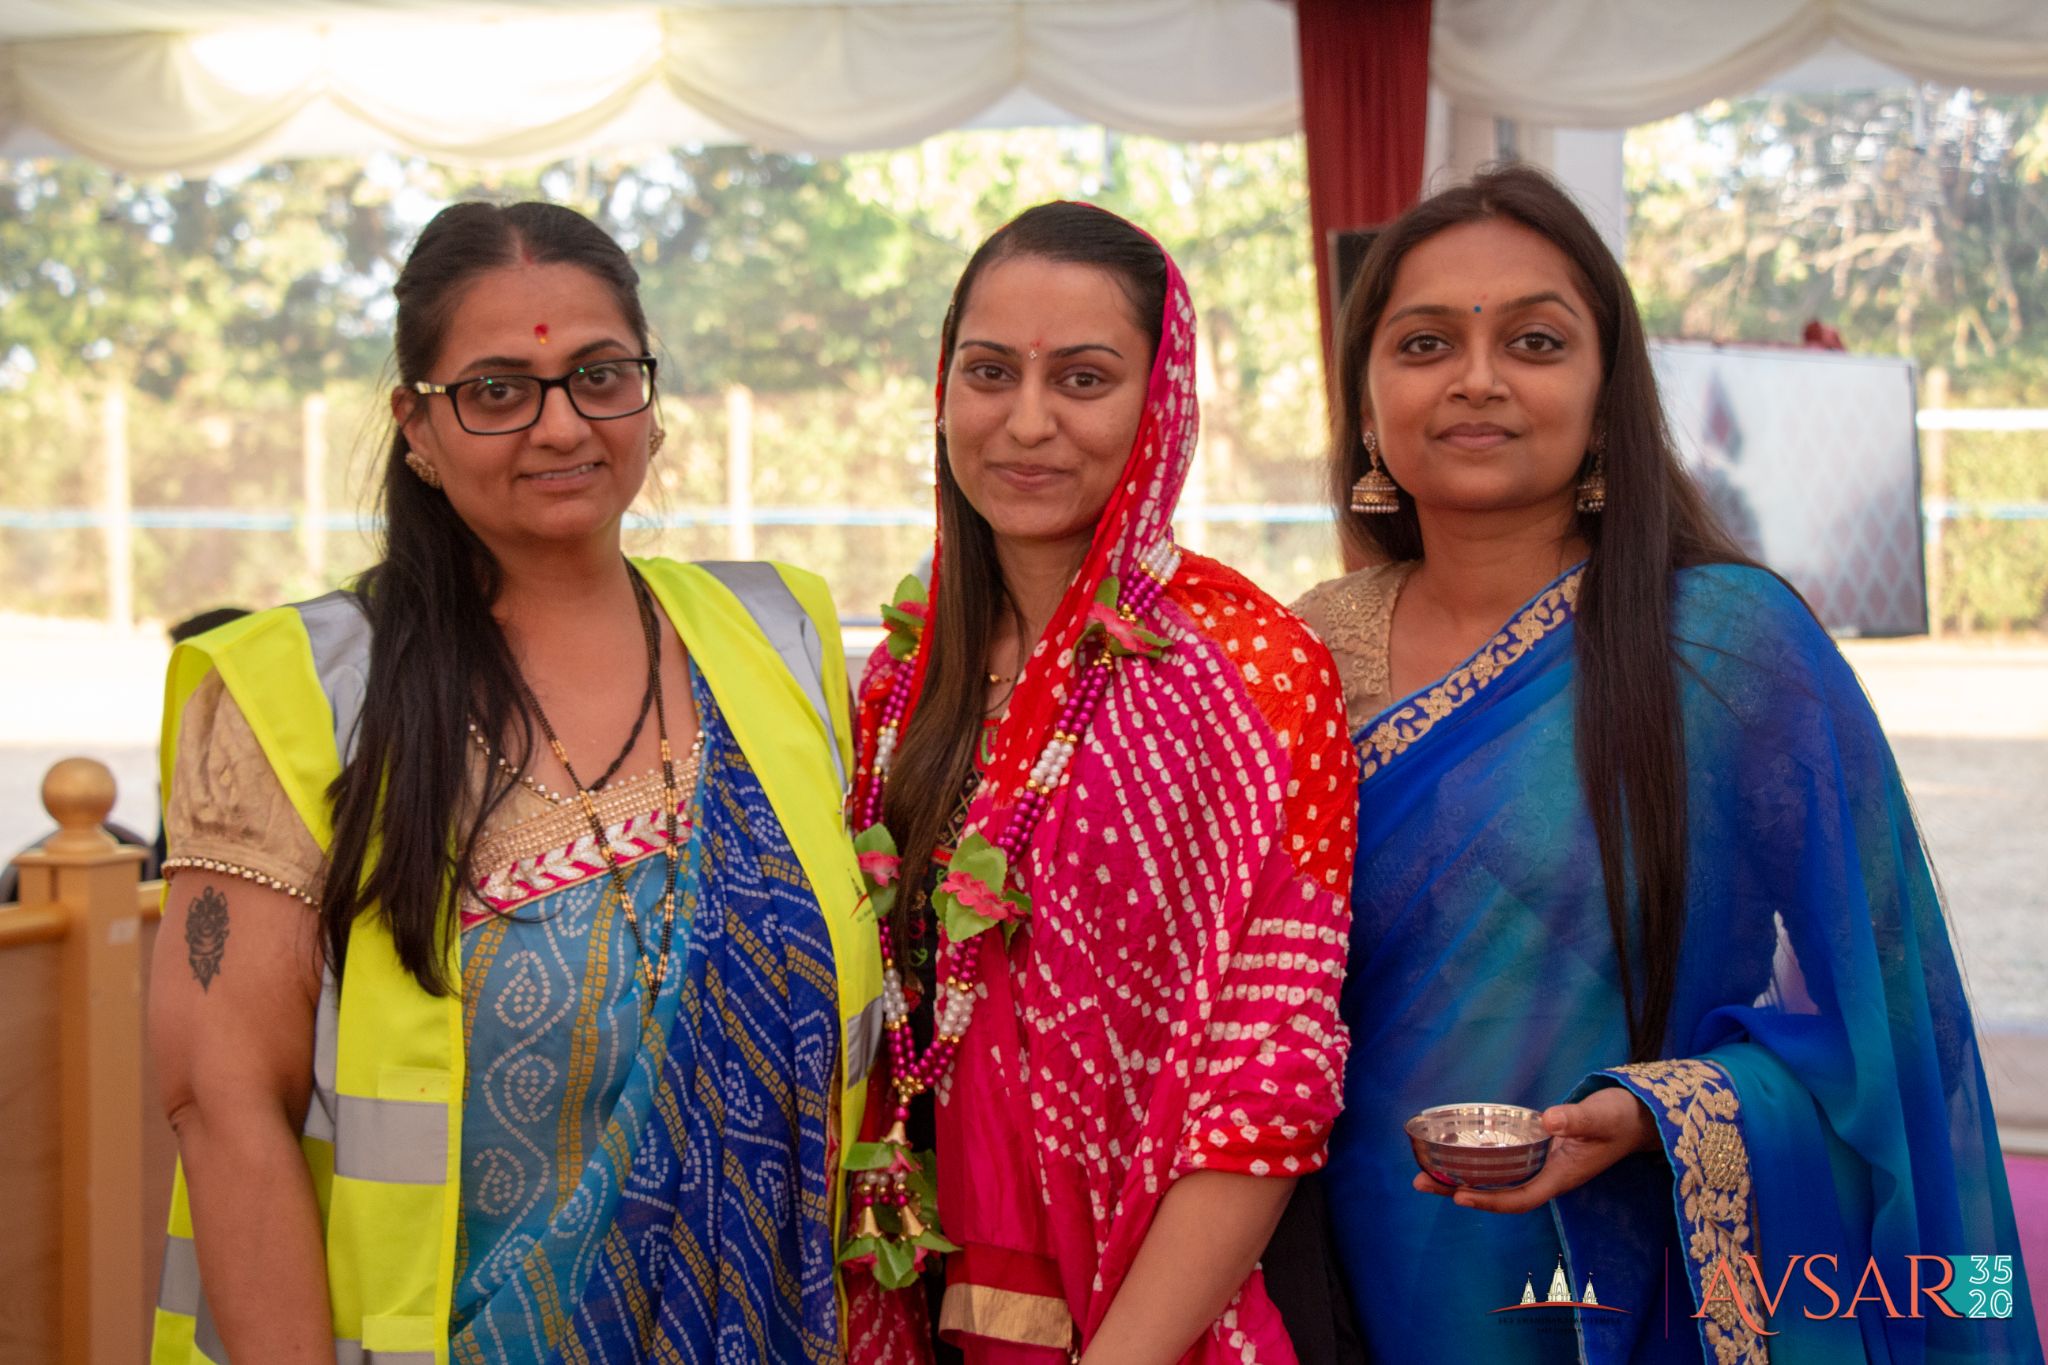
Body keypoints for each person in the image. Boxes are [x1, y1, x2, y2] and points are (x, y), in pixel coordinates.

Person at [1293, 164, 2040, 1363]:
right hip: (1332, 1268)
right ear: (1366, 396)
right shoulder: (1304, 651)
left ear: (1604, 392)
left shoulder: (1727, 644)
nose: (1475, 378)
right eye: (1423, 342)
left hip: (1632, 1275)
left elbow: (1896, 1018)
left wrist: (1657, 1118)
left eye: (1533, 341)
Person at [146, 201, 880, 1363]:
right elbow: (224, 1104)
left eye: (597, 376)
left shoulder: (779, 640)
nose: (558, 426)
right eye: (498, 389)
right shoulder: (300, 693)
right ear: (417, 428)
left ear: (648, 396)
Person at [838, 201, 1356, 1365]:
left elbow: (1267, 1078)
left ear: (1157, 403)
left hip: (1146, 1316)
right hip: (918, 1294)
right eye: (988, 373)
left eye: (1082, 378)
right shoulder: (900, 686)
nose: (1026, 423)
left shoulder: (1250, 672)